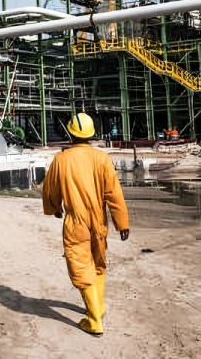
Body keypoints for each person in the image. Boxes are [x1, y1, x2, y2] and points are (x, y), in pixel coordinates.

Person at [42, 112, 129, 336]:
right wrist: (122, 223)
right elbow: (113, 193)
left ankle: (94, 321)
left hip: (76, 222)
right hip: (99, 221)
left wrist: (54, 208)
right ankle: (98, 306)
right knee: (98, 264)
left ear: (70, 133)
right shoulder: (102, 158)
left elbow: (50, 189)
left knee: (81, 268)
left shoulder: (61, 160)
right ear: (92, 134)